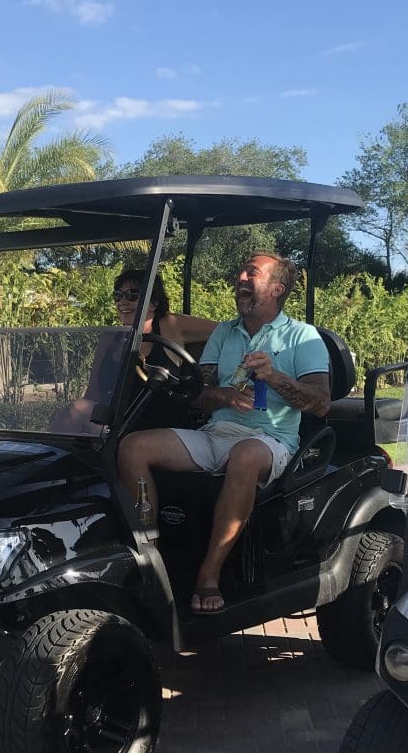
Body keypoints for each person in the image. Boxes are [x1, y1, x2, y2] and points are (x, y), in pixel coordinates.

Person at [118, 253, 330, 614]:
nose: (241, 277)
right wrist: (224, 395)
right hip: (217, 433)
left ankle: (208, 575)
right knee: (133, 446)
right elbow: (199, 396)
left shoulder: (302, 336)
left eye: (252, 272)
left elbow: (322, 402)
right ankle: (150, 554)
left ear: (277, 288)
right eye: (241, 271)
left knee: (244, 455)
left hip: (271, 441)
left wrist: (274, 377)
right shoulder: (223, 333)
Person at [50, 269, 216, 433]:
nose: (122, 302)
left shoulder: (170, 325)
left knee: (76, 411)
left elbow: (226, 331)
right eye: (118, 295)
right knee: (73, 413)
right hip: (118, 424)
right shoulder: (110, 339)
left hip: (163, 425)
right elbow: (93, 393)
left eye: (132, 295)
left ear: (154, 303)